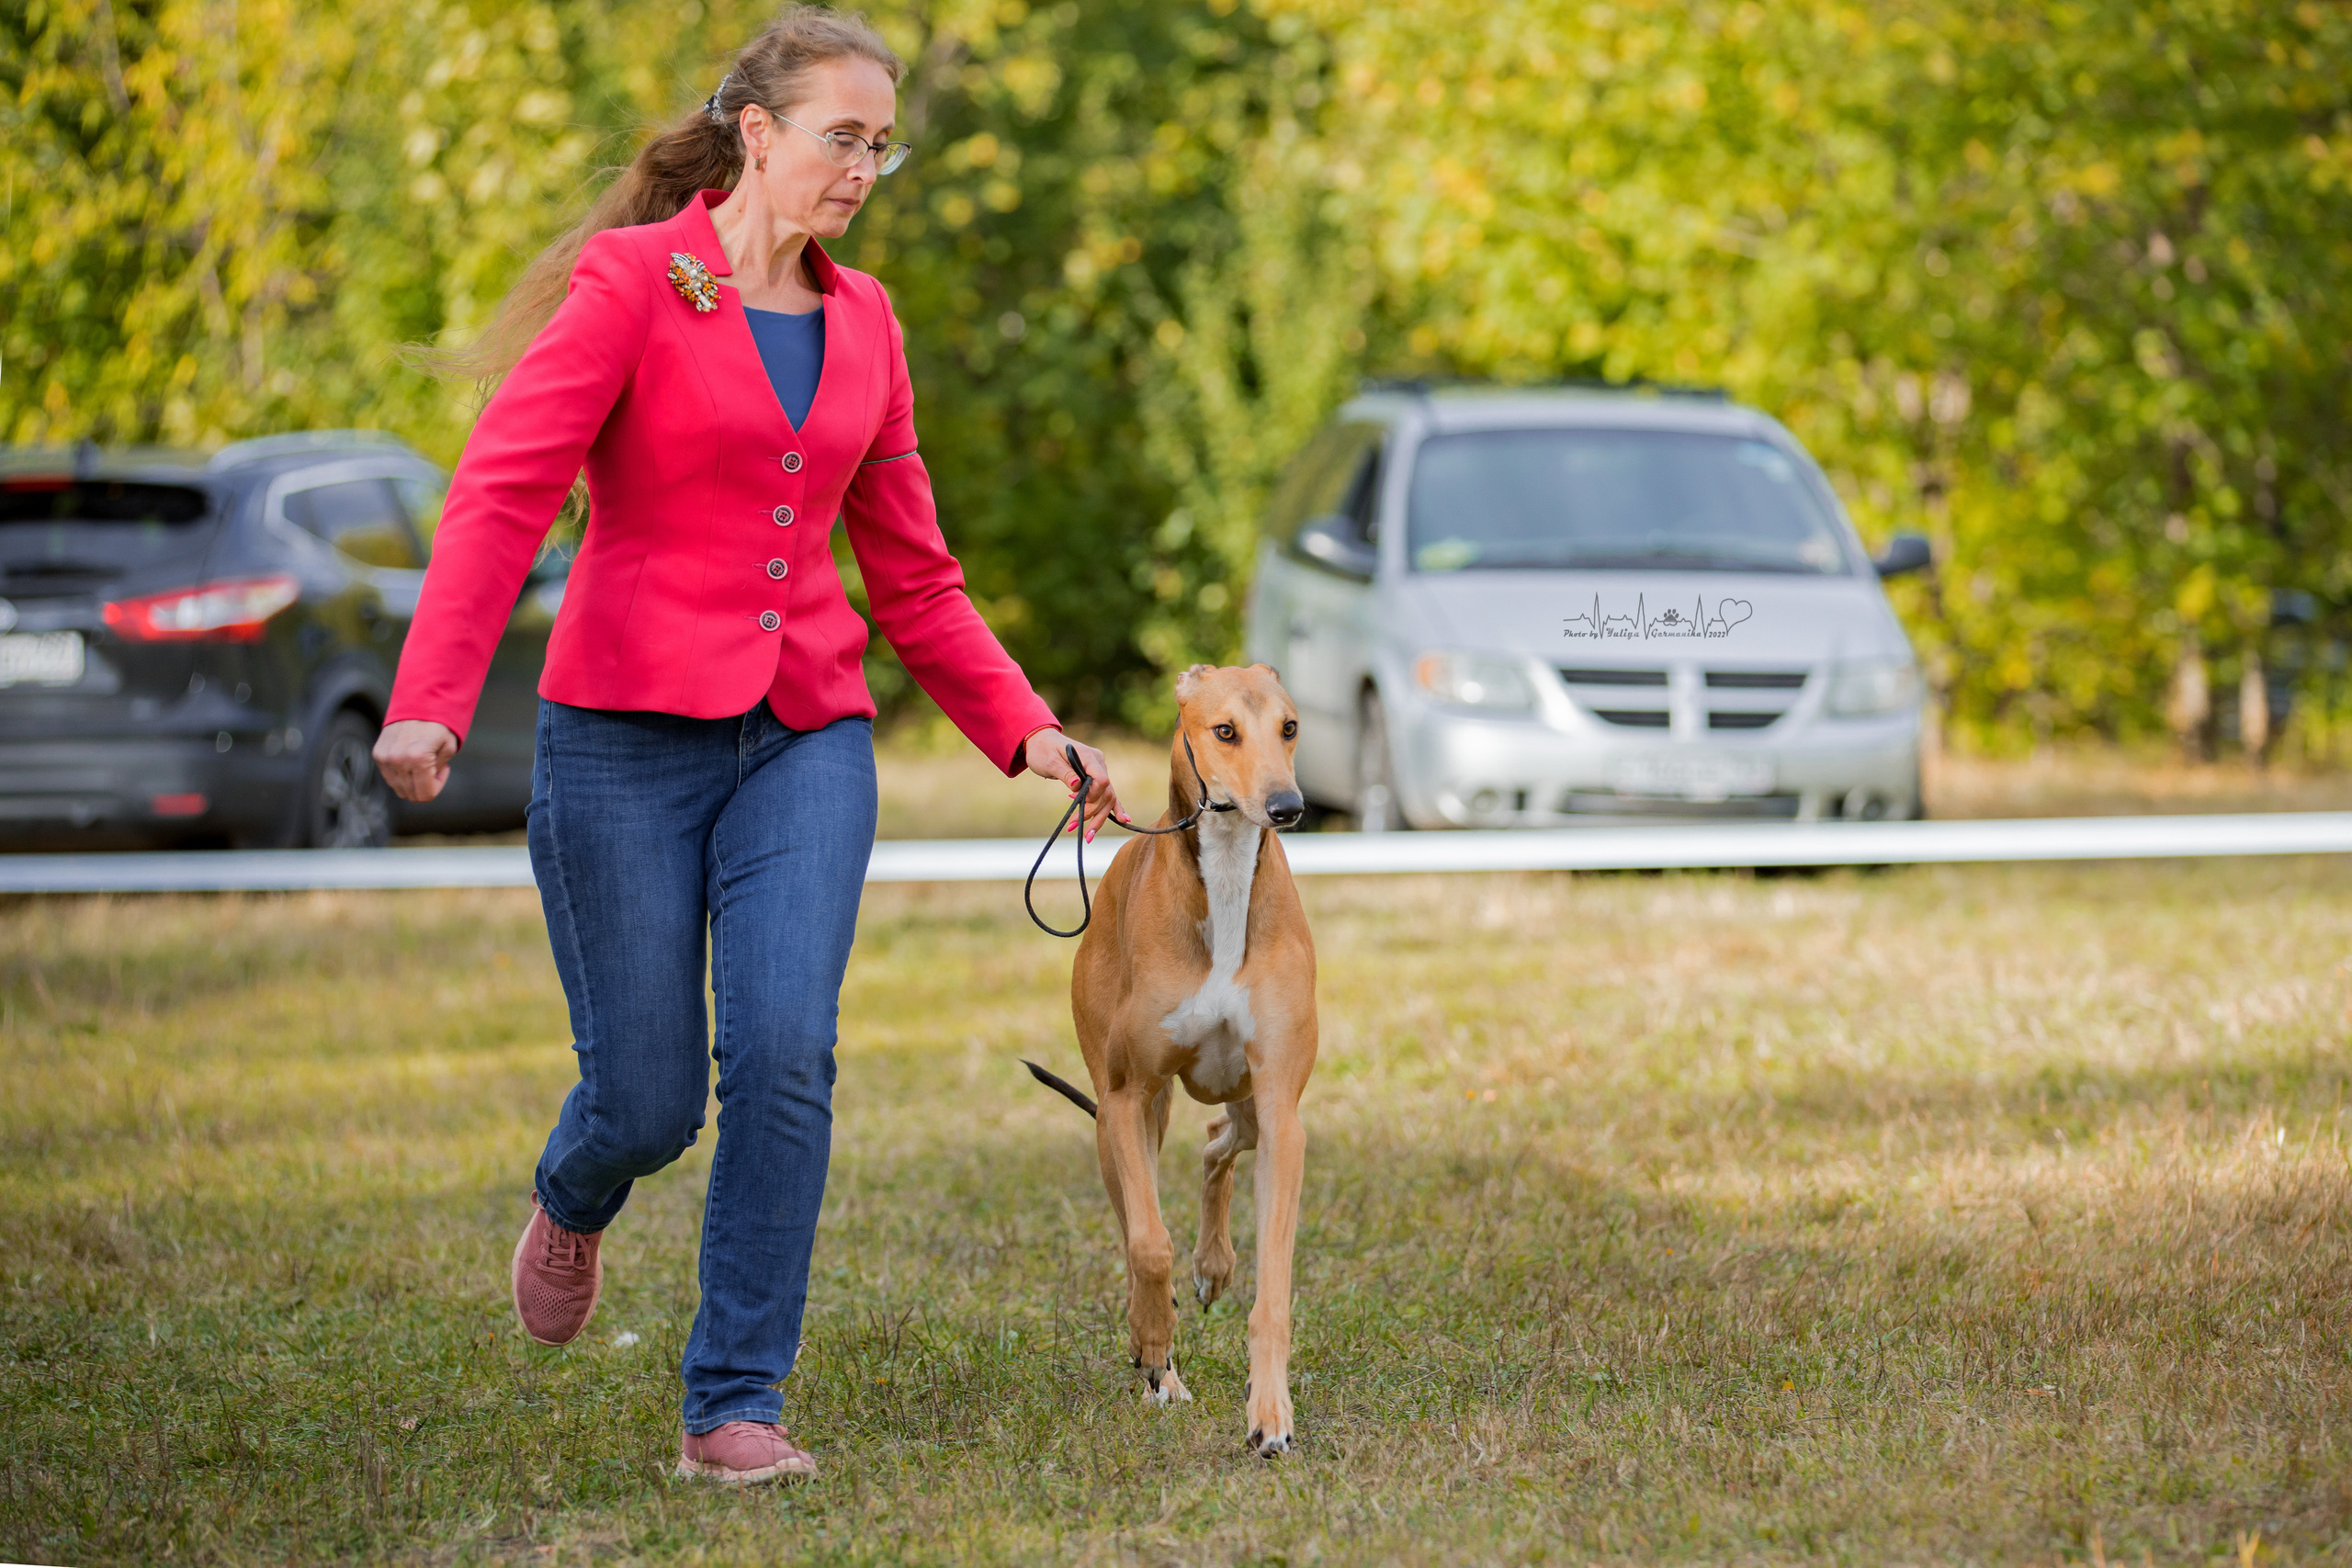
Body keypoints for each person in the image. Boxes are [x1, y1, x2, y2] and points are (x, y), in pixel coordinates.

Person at [372, 6, 1125, 1486]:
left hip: (803, 737)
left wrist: (1023, 728)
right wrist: (432, 694)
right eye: (845, 135)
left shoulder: (871, 320)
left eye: (882, 143)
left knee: (785, 1052)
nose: (866, 164)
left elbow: (913, 572)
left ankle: (734, 1403)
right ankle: (574, 1193)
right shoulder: (631, 283)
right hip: (619, 741)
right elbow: (503, 491)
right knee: (646, 1098)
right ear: (758, 132)